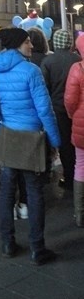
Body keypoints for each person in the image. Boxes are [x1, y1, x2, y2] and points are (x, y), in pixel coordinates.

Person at [0, 28, 61, 264]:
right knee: (34, 191)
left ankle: (7, 243)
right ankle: (38, 247)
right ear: (17, 45)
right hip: (32, 139)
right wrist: (55, 141)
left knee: (6, 192)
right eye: (27, 42)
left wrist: (1, 126)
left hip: (7, 136)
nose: (31, 46)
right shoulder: (31, 71)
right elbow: (45, 110)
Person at [41, 29, 80, 192]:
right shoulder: (78, 59)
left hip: (58, 109)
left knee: (65, 144)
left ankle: (70, 178)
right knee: (79, 144)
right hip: (78, 108)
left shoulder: (48, 61)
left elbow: (44, 88)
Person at [64, 32, 84, 227]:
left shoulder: (76, 68)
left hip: (80, 122)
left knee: (80, 165)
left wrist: (72, 115)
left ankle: (80, 214)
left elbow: (70, 100)